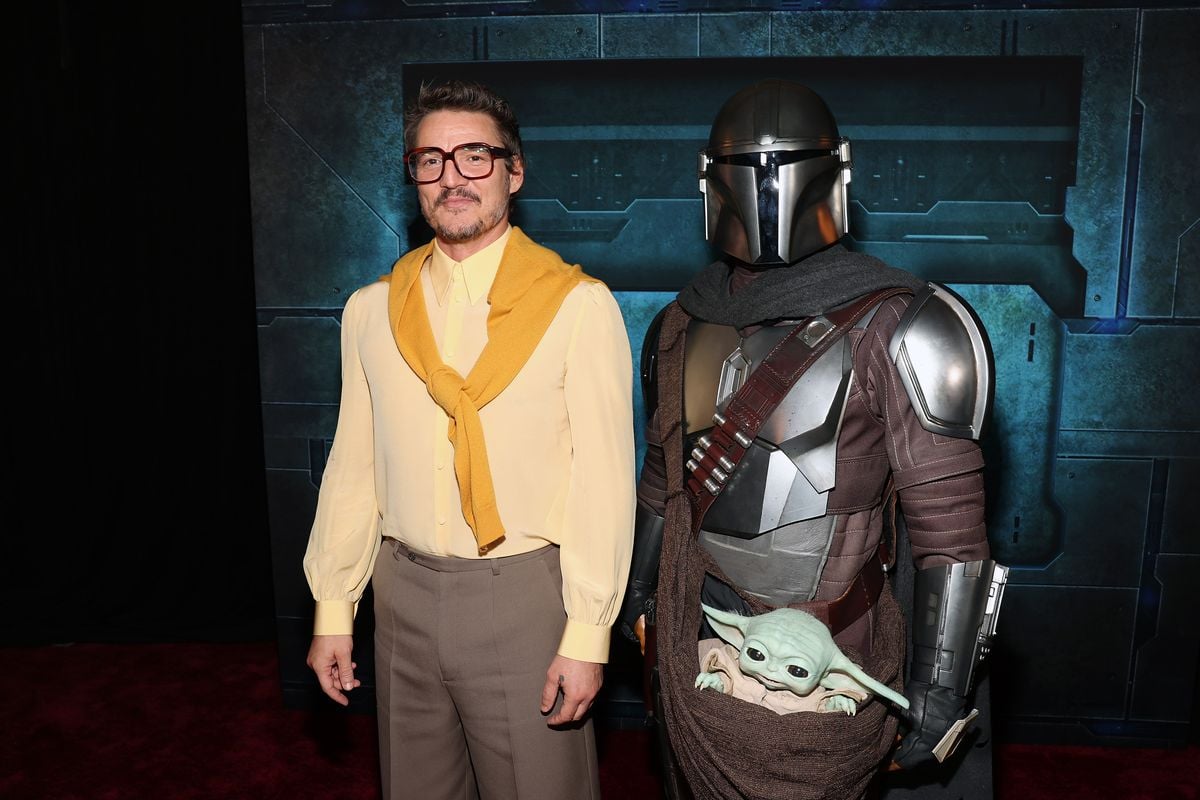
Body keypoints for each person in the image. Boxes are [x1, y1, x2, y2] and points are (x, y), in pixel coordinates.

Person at [617, 79, 1008, 800]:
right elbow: (662, 481)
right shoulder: (681, 324)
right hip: (701, 626)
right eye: (747, 172)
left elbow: (949, 529)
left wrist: (941, 683)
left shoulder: (905, 323)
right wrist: (640, 593)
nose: (768, 193)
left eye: (786, 168)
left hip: (835, 647)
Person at [303, 79, 635, 800]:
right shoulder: (369, 312)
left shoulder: (578, 308)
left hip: (524, 600)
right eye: (431, 159)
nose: (452, 176)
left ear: (514, 171)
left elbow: (604, 483)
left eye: (475, 157)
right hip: (402, 595)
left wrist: (587, 633)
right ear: (414, 177)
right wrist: (335, 610)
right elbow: (353, 468)